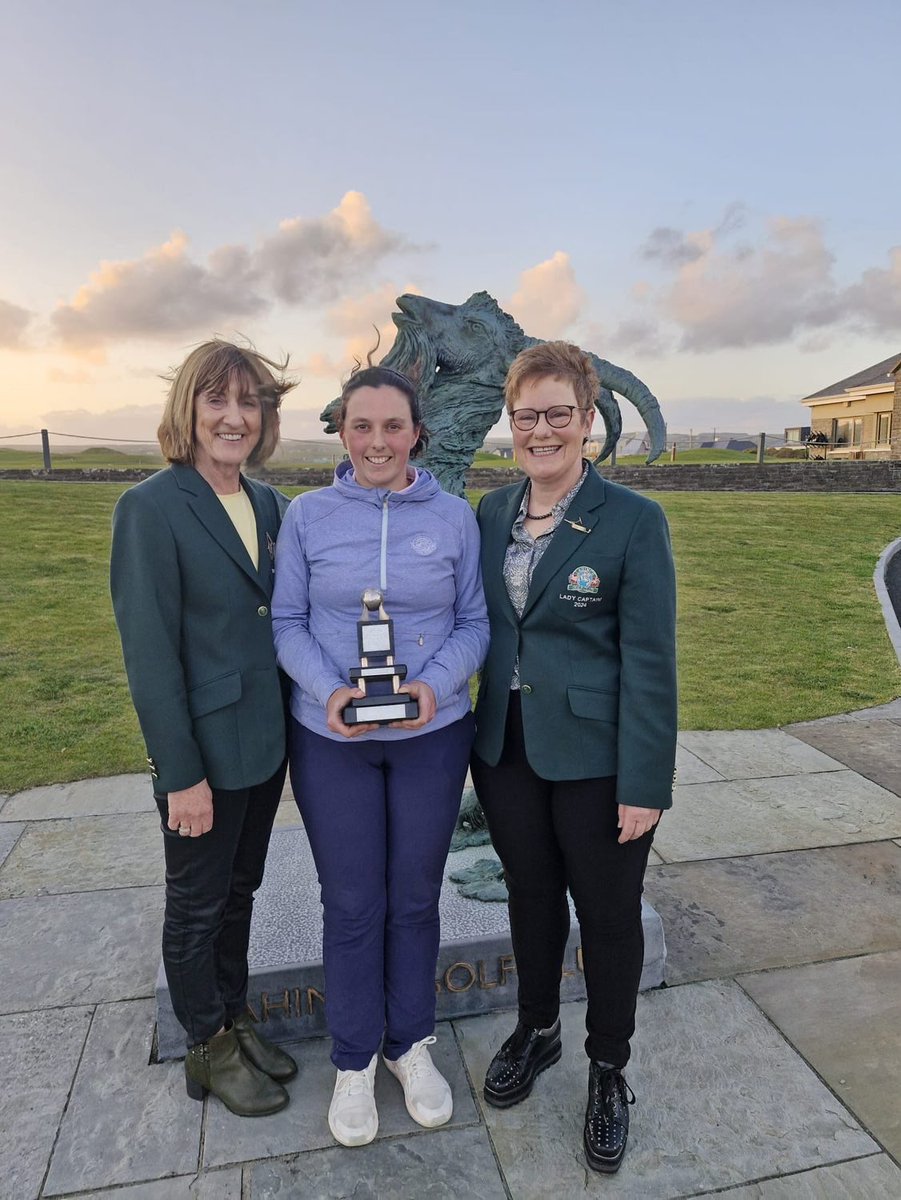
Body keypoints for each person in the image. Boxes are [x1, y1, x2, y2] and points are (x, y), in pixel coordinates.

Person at [470, 341, 677, 1174]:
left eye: (560, 413)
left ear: (587, 421)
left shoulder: (631, 521)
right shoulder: (489, 514)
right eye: (528, 416)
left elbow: (652, 662)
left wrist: (644, 783)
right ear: (509, 423)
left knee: (608, 912)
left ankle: (607, 1067)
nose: (543, 430)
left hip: (596, 759)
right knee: (528, 896)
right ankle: (538, 1028)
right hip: (506, 749)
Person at [272, 364, 489, 1147]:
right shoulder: (309, 515)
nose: (376, 441)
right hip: (334, 740)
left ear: (416, 433)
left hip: (430, 736)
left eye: (392, 426)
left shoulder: (453, 518)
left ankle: (409, 1045)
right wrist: (331, 690)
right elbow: (288, 621)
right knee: (353, 901)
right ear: (341, 431)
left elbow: (474, 621)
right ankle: (356, 1058)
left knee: (414, 898)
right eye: (361, 426)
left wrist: (432, 686)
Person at [110, 339, 299, 1116]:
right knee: (195, 904)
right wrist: (179, 774)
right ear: (187, 409)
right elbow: (150, 656)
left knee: (241, 891)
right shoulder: (151, 508)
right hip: (202, 756)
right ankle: (205, 1046)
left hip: (264, 744)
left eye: (248, 401)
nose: (233, 416)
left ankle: (234, 1018)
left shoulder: (268, 504)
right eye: (216, 400)